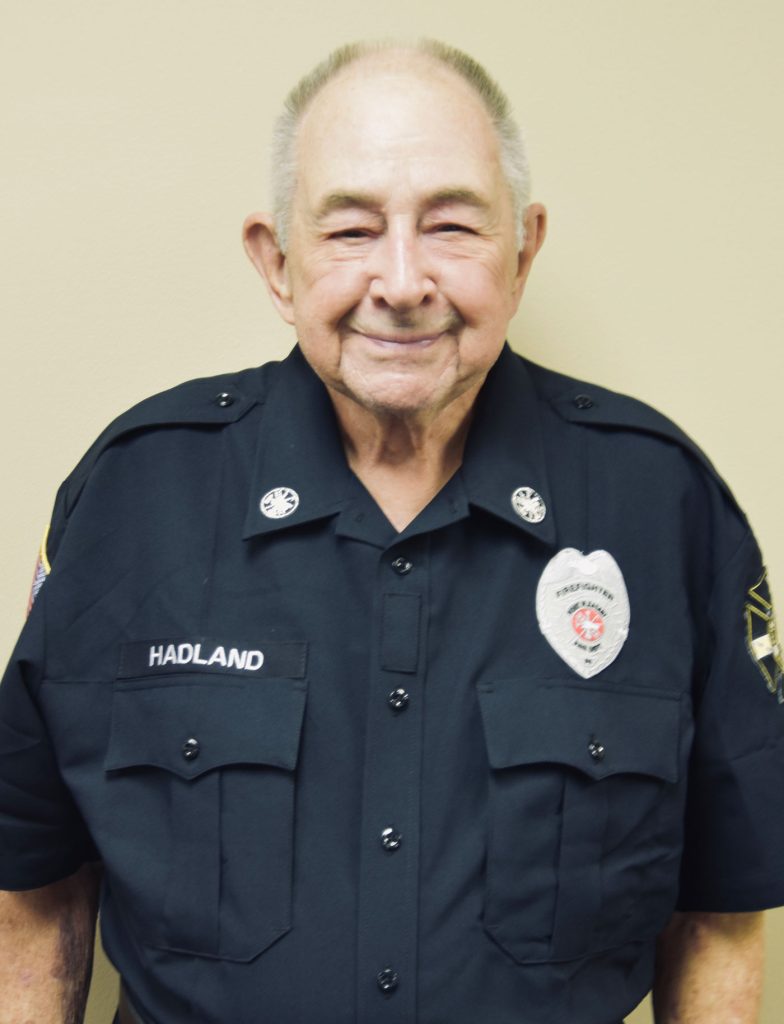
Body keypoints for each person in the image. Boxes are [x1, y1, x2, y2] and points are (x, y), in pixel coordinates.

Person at [1, 38, 783, 1024]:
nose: (403, 280)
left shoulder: (662, 507)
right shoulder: (132, 498)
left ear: (524, 249)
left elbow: (715, 920)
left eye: (451, 224)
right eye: (352, 230)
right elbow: (36, 897)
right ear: (274, 260)